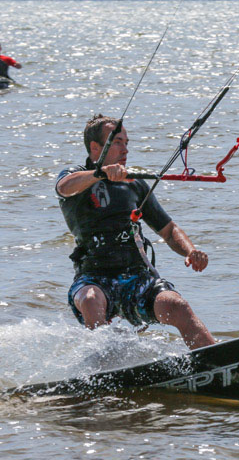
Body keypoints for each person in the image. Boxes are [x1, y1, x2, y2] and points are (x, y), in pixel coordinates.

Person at [55, 114, 215, 350]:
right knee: (90, 300)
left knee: (176, 306)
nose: (125, 148)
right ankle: (105, 368)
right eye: (117, 141)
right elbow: (64, 188)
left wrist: (190, 251)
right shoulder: (75, 176)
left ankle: (213, 360)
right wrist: (101, 173)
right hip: (94, 279)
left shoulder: (134, 183)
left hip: (137, 279)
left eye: (127, 142)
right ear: (95, 147)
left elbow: (169, 231)